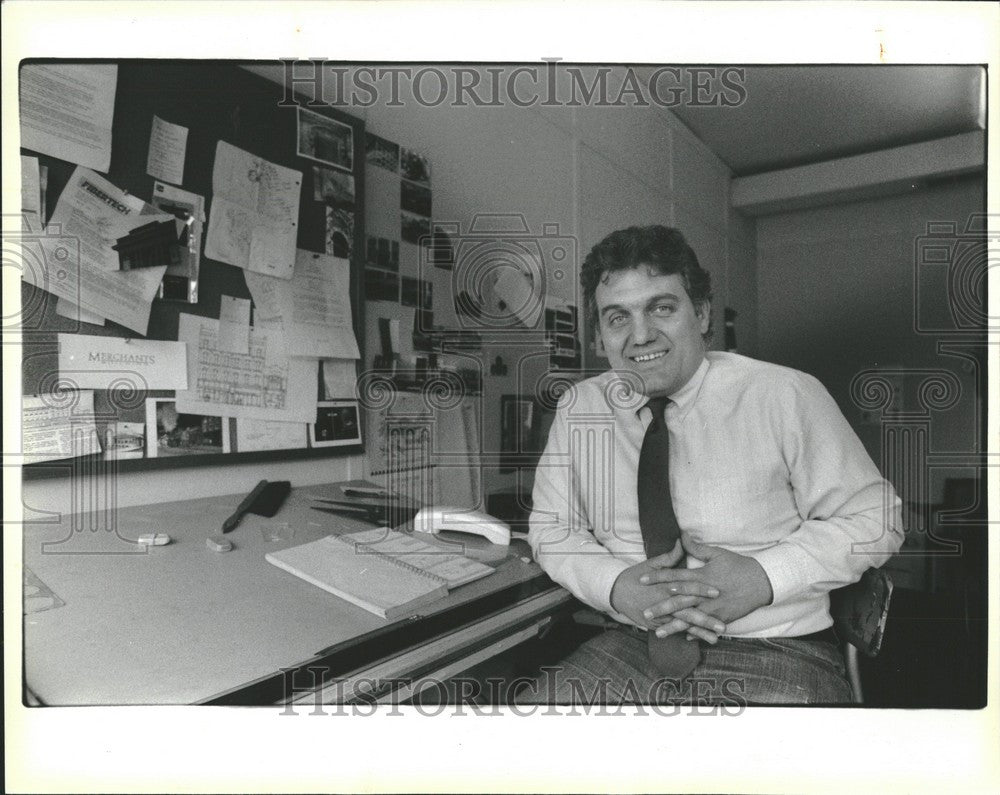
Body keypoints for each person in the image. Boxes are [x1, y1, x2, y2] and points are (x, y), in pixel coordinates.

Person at [523, 225, 903, 705]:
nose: (640, 335)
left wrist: (765, 577)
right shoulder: (580, 409)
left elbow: (877, 519)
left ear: (701, 315)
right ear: (599, 336)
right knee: (522, 748)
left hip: (776, 646)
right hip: (631, 645)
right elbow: (552, 527)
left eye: (662, 307)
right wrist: (616, 587)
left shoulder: (785, 394)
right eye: (617, 317)